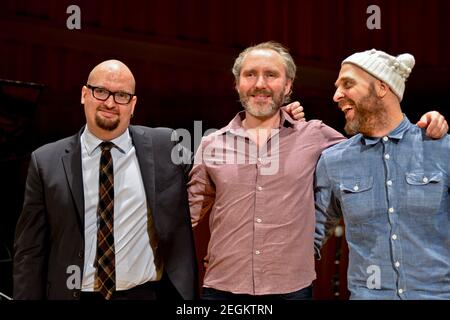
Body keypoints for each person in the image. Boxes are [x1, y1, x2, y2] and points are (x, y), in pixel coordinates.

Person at [187, 41, 447, 300]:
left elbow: (383, 140)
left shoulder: (321, 139)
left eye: (271, 75)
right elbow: (187, 211)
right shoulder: (212, 144)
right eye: (250, 74)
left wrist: (431, 124)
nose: (259, 84)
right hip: (228, 288)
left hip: (433, 294)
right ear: (237, 83)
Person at [13, 60, 197, 300]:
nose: (110, 103)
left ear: (133, 105)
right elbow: (30, 250)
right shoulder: (46, 161)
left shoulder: (165, 146)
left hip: (145, 295)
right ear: (84, 94)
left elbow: (217, 173)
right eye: (100, 91)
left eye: (121, 95)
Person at [314, 49, 450, 299]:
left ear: (381, 87)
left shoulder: (442, 148)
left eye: (347, 84)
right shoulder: (333, 161)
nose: (336, 95)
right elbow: (311, 237)